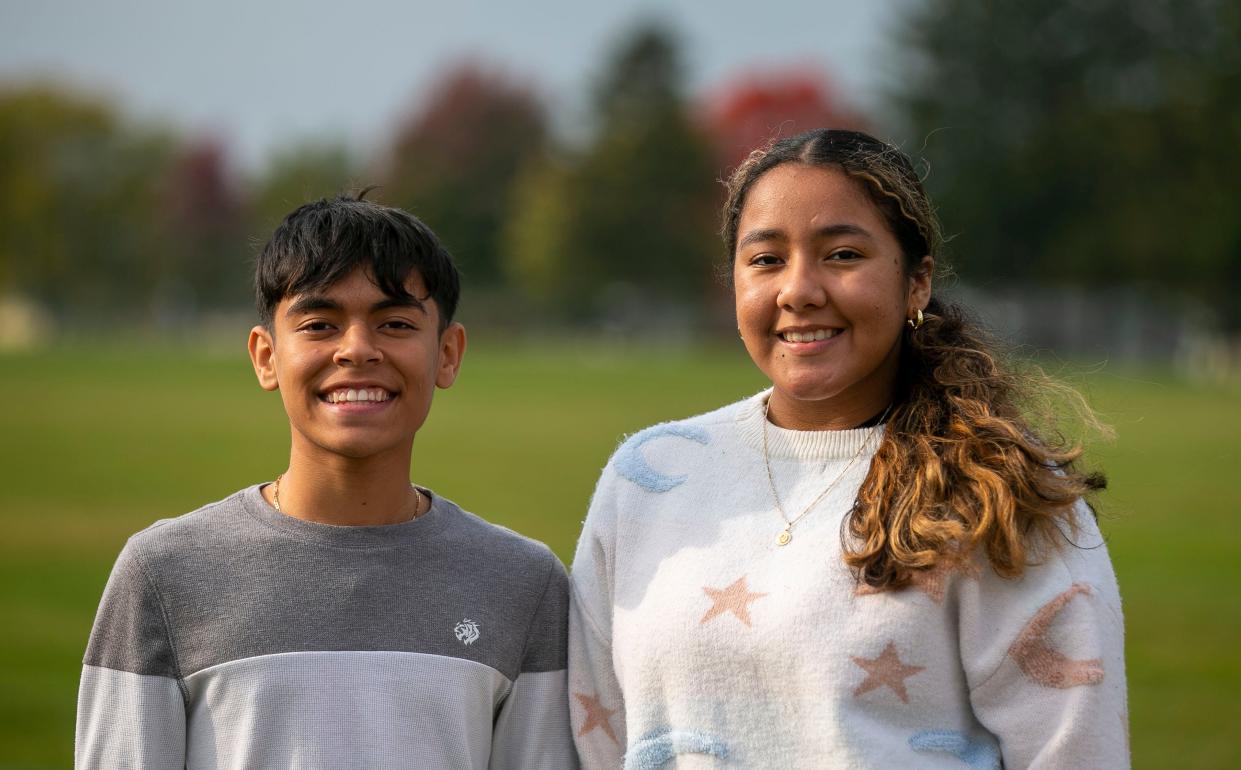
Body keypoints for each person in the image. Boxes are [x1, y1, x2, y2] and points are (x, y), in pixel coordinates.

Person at [568, 129, 1128, 768]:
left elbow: (1074, 750)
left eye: (840, 254)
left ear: (916, 282)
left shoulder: (996, 488)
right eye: (766, 259)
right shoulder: (648, 477)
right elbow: (594, 736)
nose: (799, 290)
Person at [76, 193, 578, 769]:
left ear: (448, 353)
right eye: (319, 324)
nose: (357, 349)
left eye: (394, 323)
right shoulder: (163, 574)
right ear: (266, 356)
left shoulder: (522, 584)